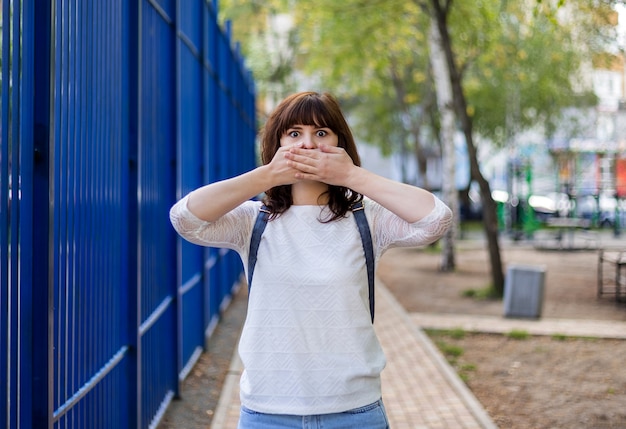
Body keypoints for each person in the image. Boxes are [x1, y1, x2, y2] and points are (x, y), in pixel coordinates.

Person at [169, 91, 453, 428]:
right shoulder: (252, 221)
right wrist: (267, 176)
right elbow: (185, 218)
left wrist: (351, 176)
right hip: (267, 413)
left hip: (355, 412)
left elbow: (435, 219)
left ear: (340, 143)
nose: (307, 145)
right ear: (276, 144)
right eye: (294, 134)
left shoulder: (368, 219)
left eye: (321, 134)